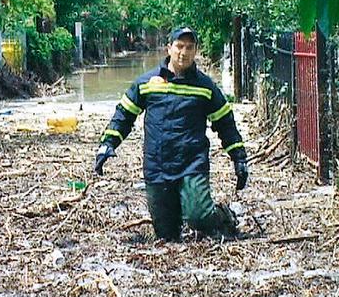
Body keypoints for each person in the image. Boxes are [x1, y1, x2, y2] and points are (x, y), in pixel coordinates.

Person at [95, 27, 248, 241]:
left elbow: (225, 123)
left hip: (192, 163)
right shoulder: (147, 84)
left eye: (189, 47)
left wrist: (239, 157)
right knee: (166, 235)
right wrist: (107, 143)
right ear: (169, 48)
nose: (183, 53)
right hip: (157, 165)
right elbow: (124, 115)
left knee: (198, 217)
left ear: (196, 51)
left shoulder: (205, 87)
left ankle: (222, 217)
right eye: (179, 46)